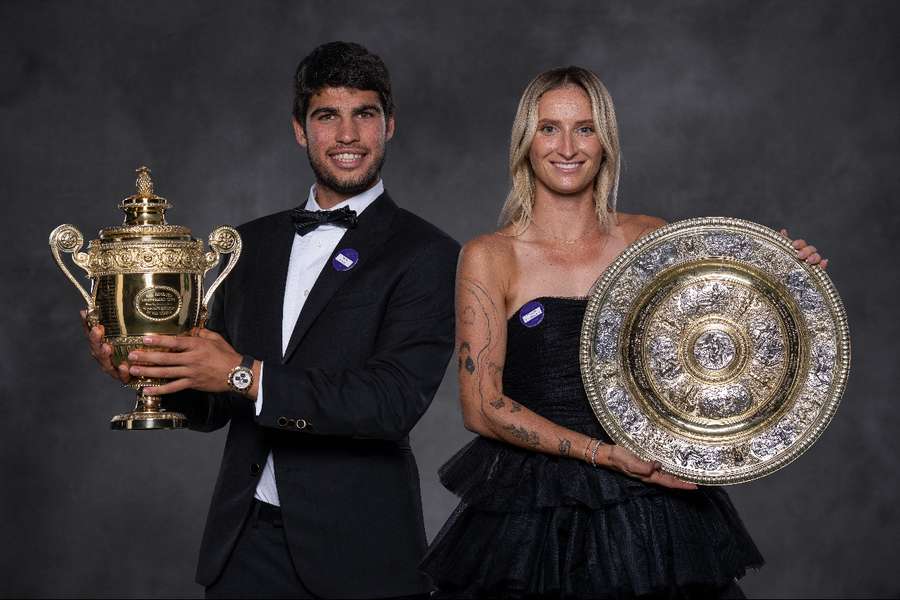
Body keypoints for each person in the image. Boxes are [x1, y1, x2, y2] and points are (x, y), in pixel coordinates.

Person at [420, 66, 827, 599]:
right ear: (525, 141)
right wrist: (603, 455)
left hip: (655, 508)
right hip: (535, 515)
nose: (567, 146)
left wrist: (784, 276)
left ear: (605, 140)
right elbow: (482, 406)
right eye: (549, 128)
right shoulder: (490, 257)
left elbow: (719, 339)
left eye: (584, 128)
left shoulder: (650, 238)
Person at [83, 41, 459, 599]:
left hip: (360, 551)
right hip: (244, 546)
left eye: (365, 115)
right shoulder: (244, 245)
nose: (348, 135)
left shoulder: (428, 253)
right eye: (327, 116)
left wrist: (243, 373)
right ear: (300, 130)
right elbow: (214, 402)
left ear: (389, 125)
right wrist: (151, 370)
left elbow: (390, 403)